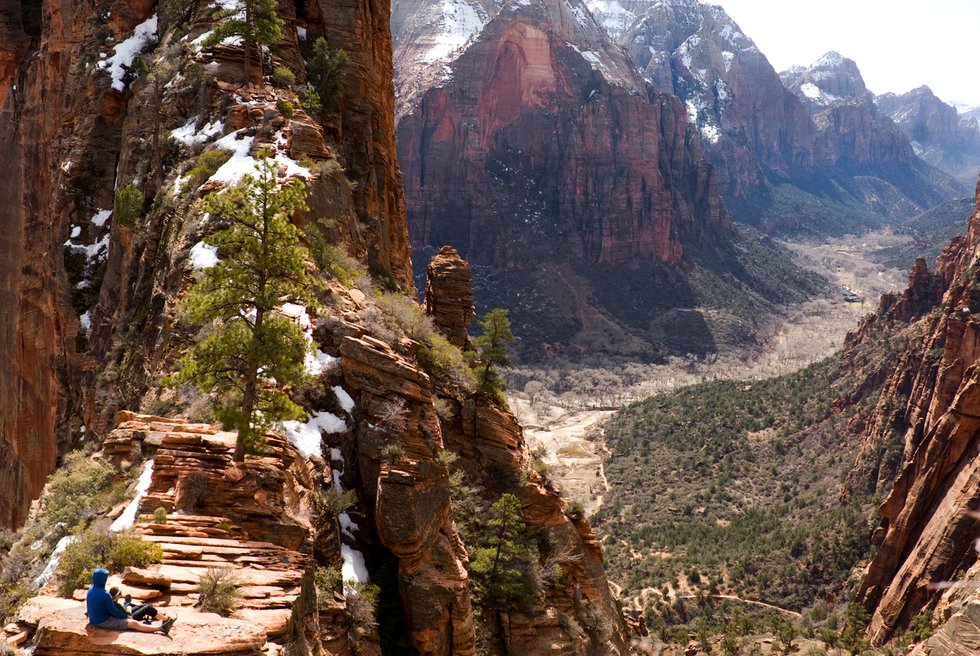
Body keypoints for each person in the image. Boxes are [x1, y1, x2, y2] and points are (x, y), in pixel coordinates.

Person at [86, 569, 175, 636]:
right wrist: (126, 616)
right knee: (133, 623)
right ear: (102, 579)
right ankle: (161, 628)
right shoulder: (104, 594)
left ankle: (163, 624)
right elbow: (113, 611)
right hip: (103, 622)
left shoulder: (90, 590)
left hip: (94, 620)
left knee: (135, 617)